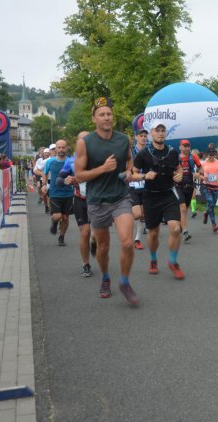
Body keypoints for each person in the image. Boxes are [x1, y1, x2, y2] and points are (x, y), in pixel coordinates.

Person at [74, 97, 139, 305]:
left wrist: (129, 171)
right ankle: (105, 277)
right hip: (97, 200)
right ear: (94, 119)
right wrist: (103, 168)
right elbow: (79, 175)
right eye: (101, 114)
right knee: (103, 248)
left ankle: (125, 281)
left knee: (128, 243)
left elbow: (130, 160)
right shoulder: (85, 143)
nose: (106, 117)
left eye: (109, 114)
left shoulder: (123, 139)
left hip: (120, 197)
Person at [132, 122, 185, 280]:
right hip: (151, 196)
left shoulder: (173, 152)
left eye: (163, 130)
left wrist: (180, 174)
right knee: (154, 234)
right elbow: (132, 174)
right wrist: (144, 176)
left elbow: (178, 168)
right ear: (152, 134)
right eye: (157, 130)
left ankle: (173, 262)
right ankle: (154, 259)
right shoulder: (144, 154)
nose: (161, 133)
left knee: (175, 229)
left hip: (168, 194)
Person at [58, 131, 94, 277]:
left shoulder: (100, 158)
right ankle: (86, 264)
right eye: (82, 140)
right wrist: (65, 180)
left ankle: (95, 242)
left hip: (98, 200)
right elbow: (59, 180)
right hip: (80, 199)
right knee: (85, 233)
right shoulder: (71, 161)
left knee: (98, 234)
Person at [42, 139, 74, 247]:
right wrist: (44, 184)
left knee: (65, 218)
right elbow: (44, 173)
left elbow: (76, 175)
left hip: (68, 193)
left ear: (66, 148)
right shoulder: (50, 161)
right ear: (55, 149)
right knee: (57, 216)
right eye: (59, 147)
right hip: (54, 193)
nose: (61, 149)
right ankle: (54, 222)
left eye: (63, 147)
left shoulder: (70, 162)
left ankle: (62, 236)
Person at [177, 139, 202, 241]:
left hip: (190, 186)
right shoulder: (176, 158)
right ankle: (185, 231)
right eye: (184, 146)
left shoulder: (193, 157)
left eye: (188, 146)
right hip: (178, 186)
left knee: (185, 209)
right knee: (182, 208)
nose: (186, 148)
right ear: (180, 147)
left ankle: (181, 225)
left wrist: (199, 174)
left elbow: (201, 168)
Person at [200, 146, 218, 233]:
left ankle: (206, 212)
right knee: (211, 202)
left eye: (213, 154)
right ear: (207, 154)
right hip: (206, 186)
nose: (211, 156)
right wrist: (203, 177)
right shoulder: (203, 163)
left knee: (212, 204)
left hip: (216, 187)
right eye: (210, 154)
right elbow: (197, 174)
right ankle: (214, 225)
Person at [129, 128, 148, 250]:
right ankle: (123, 218)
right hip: (133, 186)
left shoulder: (149, 151)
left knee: (143, 216)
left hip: (146, 187)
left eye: (145, 136)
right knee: (136, 214)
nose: (143, 138)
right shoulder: (130, 152)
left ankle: (137, 239)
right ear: (136, 137)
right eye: (141, 136)